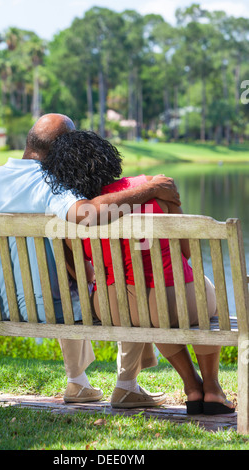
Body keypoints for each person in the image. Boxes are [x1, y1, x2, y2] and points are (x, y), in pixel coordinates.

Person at [0, 113, 180, 407]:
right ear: (63, 147)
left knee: (65, 281)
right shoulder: (48, 183)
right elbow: (87, 213)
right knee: (126, 288)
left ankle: (78, 383)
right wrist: (150, 188)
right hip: (45, 307)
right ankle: (126, 385)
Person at [41, 129, 235, 415]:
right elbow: (185, 252)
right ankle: (213, 389)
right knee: (204, 300)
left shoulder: (73, 212)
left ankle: (192, 386)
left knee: (147, 310)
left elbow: (81, 269)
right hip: (172, 299)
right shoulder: (156, 187)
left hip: (113, 308)